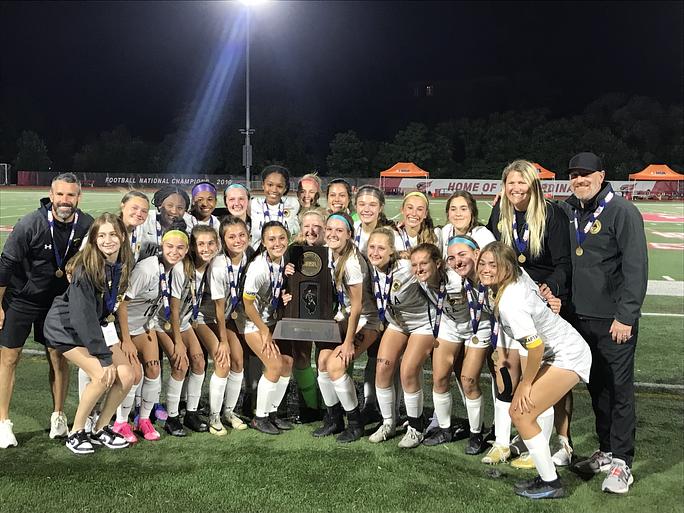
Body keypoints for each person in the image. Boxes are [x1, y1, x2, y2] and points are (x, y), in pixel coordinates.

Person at [478, 241, 592, 499]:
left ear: (507, 267)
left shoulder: (510, 302)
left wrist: (525, 383)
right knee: (522, 413)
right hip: (561, 350)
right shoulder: (518, 277)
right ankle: (547, 476)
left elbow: (536, 347)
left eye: (492, 265)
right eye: (482, 263)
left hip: (567, 354)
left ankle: (551, 482)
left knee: (521, 413)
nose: (485, 269)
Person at [562, 152, 648, 495]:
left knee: (620, 391)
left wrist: (626, 315)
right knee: (597, 388)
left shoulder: (623, 211)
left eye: (585, 174)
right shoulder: (569, 210)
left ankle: (623, 462)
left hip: (615, 321)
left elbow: (636, 267)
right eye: (574, 175)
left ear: (601, 175)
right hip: (581, 319)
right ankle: (607, 449)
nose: (579, 180)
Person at [485, 159, 571, 469]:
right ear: (504, 186)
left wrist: (550, 289)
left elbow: (563, 263)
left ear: (533, 185)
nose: (516, 189)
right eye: (511, 183)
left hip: (540, 303)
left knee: (540, 377)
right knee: (504, 371)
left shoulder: (552, 214)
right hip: (508, 301)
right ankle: (504, 442)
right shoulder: (500, 213)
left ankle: (547, 447)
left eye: (522, 183)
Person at [0, 172, 94, 448]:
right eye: (60, 194)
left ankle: (59, 415)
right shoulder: (31, 223)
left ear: (79, 197)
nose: (65, 200)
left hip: (57, 303)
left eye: (71, 195)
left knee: (58, 356)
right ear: (51, 196)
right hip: (21, 299)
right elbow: (5, 265)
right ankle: (3, 421)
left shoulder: (86, 225)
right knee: (9, 358)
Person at [43, 213, 136, 454]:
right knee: (102, 375)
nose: (108, 240)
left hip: (95, 325)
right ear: (93, 240)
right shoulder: (85, 268)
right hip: (65, 328)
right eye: (101, 235)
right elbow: (81, 317)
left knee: (127, 376)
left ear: (122, 237)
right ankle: (77, 431)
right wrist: (103, 357)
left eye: (113, 234)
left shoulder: (123, 261)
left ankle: (100, 428)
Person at [414, 238, 492, 454]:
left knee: (468, 380)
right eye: (452, 258)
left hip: (478, 325)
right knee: (439, 378)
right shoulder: (422, 277)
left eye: (462, 255)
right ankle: (445, 429)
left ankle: (477, 434)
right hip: (450, 325)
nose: (419, 269)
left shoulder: (465, 276)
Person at [313, 213, 382, 443]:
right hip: (346, 316)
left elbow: (357, 307)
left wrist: (348, 342)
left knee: (335, 364)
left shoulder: (351, 262)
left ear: (349, 235)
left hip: (368, 321)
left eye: (339, 230)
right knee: (322, 361)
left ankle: (354, 422)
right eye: (329, 229)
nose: (333, 234)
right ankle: (333, 418)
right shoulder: (329, 251)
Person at [116, 228, 189, 441]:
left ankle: (144, 420)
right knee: (135, 373)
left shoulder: (175, 270)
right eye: (169, 247)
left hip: (144, 324)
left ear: (185, 251)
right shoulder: (146, 269)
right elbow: (122, 304)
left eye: (180, 248)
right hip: (124, 326)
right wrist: (126, 340)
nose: (174, 252)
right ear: (162, 247)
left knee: (154, 369)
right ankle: (121, 422)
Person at [366, 227, 434, 448]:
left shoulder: (406, 267)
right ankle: (388, 422)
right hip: (397, 323)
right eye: (372, 247)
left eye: (381, 248)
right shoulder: (369, 267)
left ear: (392, 251)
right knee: (383, 367)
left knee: (407, 370)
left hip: (422, 323)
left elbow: (433, 271)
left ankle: (416, 427)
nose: (375, 252)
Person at [241, 221, 294, 434]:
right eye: (271, 239)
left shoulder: (284, 261)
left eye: (282, 238)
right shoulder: (258, 268)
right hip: (253, 324)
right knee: (274, 365)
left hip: (271, 321)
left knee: (287, 363)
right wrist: (263, 330)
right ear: (263, 242)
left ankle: (272, 413)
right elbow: (247, 304)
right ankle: (259, 417)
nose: (277, 243)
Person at [204, 216, 253, 433]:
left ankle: (229, 411)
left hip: (229, 318)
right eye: (231, 236)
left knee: (238, 361)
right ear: (223, 241)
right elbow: (217, 308)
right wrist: (223, 341)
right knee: (223, 362)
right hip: (207, 318)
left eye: (242, 235)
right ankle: (214, 417)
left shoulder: (249, 259)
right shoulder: (218, 265)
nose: (238, 240)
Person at [289, 207, 327, 422]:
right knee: (301, 356)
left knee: (325, 359)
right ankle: (310, 408)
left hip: (326, 313)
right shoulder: (294, 250)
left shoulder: (332, 249)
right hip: (301, 312)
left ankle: (332, 406)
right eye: (307, 226)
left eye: (317, 226)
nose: (311, 230)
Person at [249, 165, 300, 248]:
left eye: (279, 186)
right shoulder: (253, 204)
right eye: (270, 185)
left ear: (285, 188)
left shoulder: (294, 204)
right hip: (258, 257)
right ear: (263, 185)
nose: (274, 190)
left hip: (285, 257)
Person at [439, 190, 495, 257]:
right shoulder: (445, 231)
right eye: (453, 209)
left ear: (472, 212)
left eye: (463, 209)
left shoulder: (484, 236)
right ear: (448, 213)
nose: (458, 214)